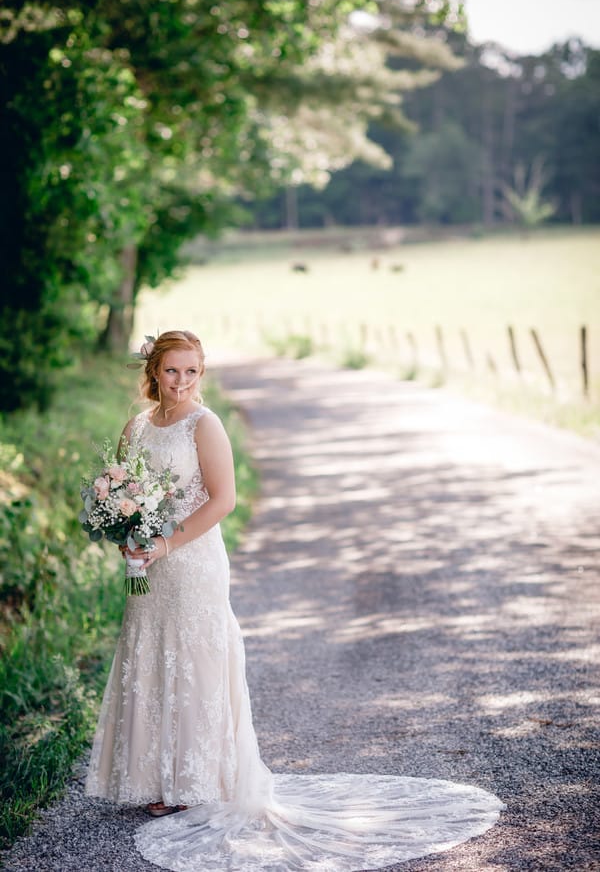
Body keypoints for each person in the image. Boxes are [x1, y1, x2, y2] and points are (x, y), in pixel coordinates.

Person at [86, 329, 505, 871]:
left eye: (192, 372)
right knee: (150, 652)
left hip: (192, 562)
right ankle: (152, 774)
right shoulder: (136, 428)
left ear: (201, 374)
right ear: (154, 372)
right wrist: (128, 534)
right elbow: (126, 496)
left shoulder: (204, 424)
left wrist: (167, 541)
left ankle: (195, 780)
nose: (182, 382)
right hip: (148, 565)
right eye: (172, 371)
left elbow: (224, 500)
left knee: (195, 659)